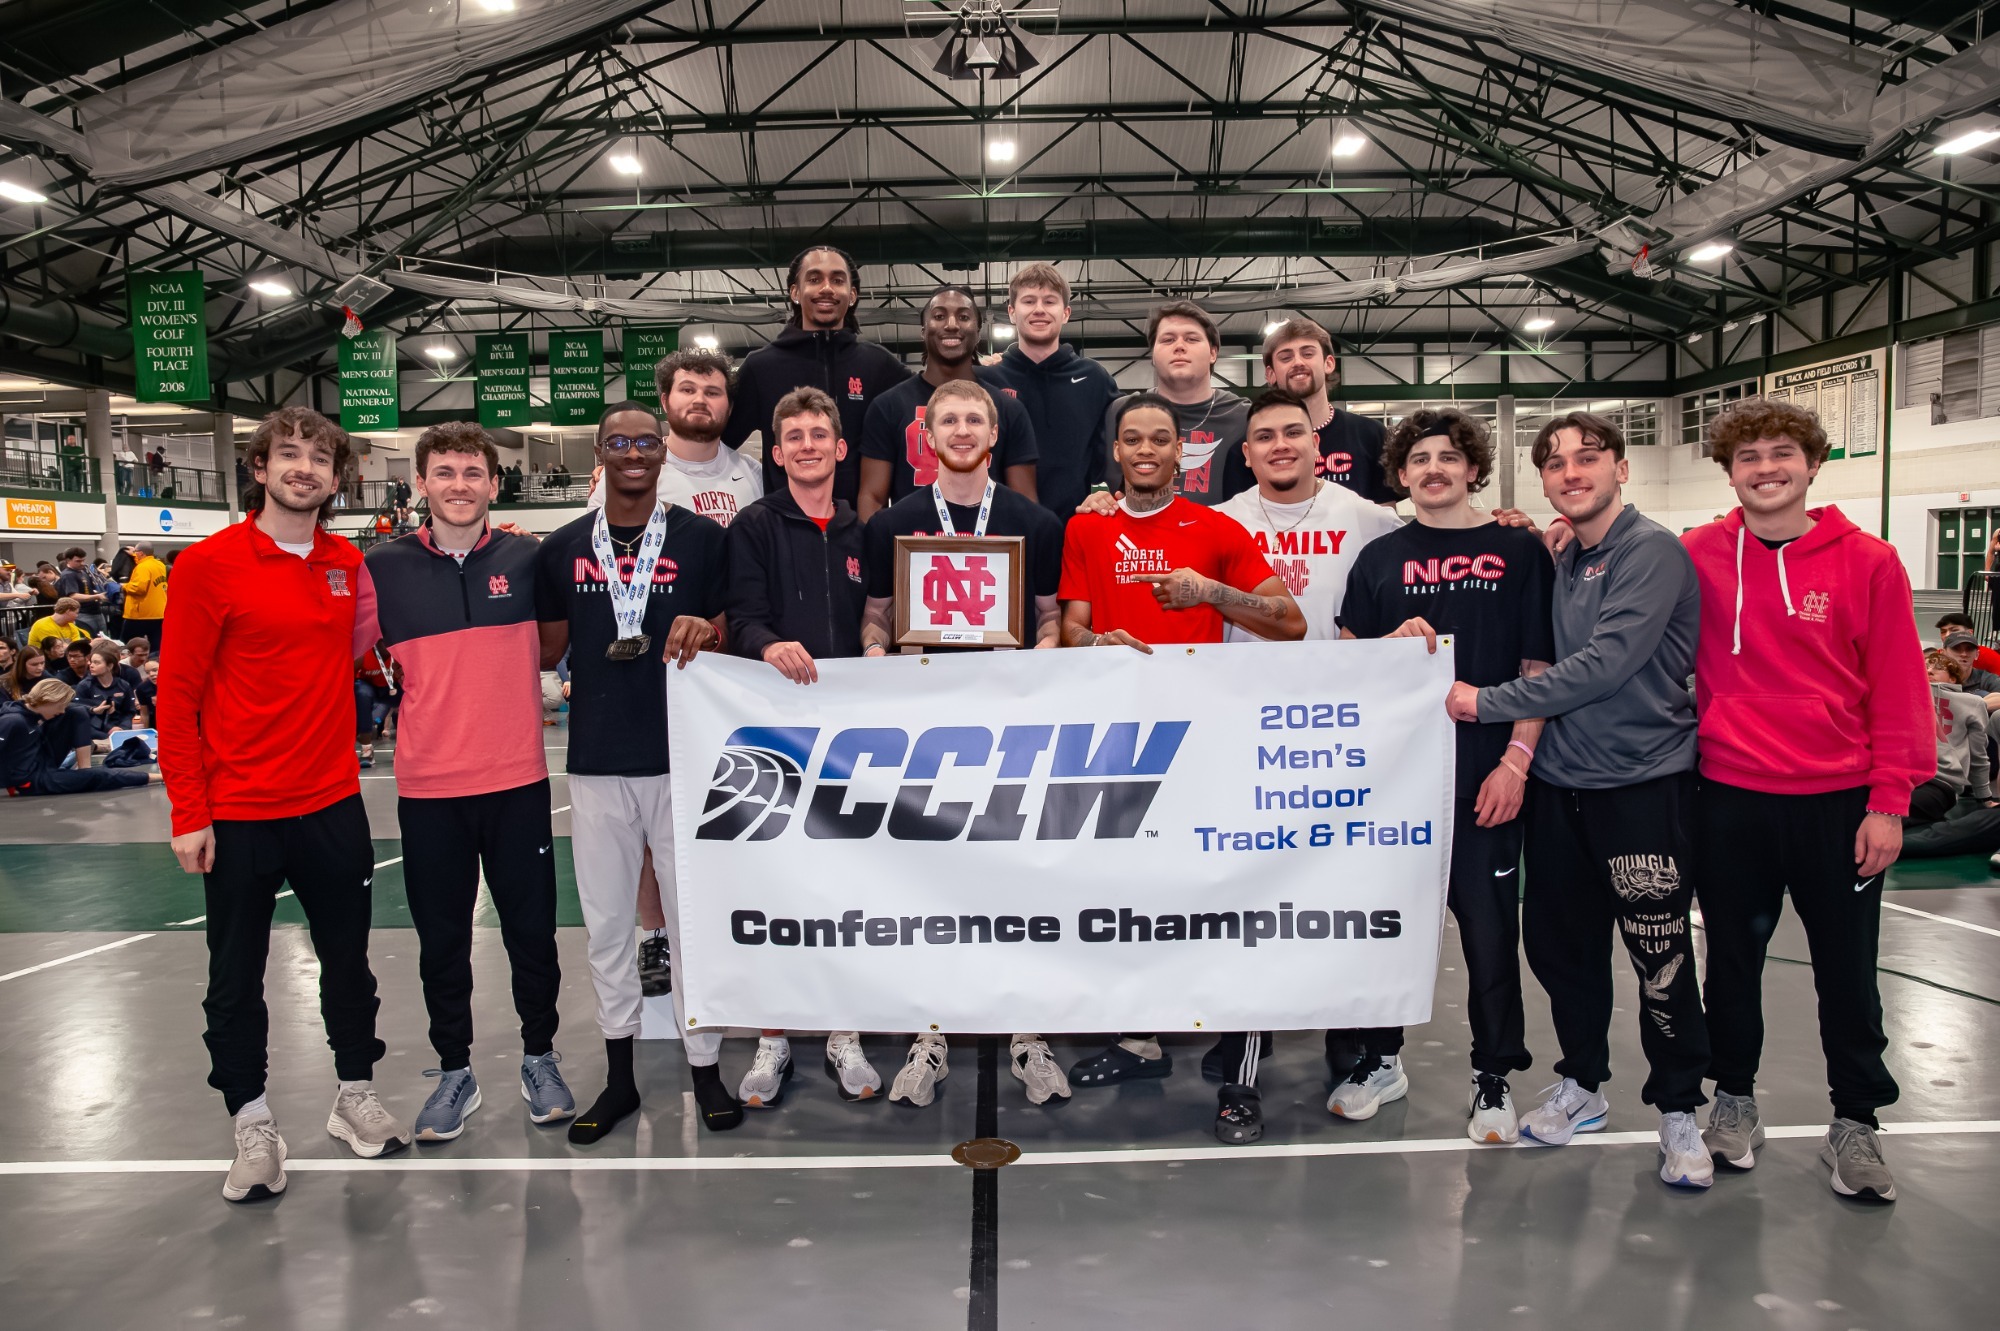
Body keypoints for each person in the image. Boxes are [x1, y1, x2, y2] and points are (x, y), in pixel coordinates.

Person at [1444, 411, 1713, 1190]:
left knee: (1659, 952)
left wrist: (1485, 702)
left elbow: (1603, 664)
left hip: (1641, 785)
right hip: (1561, 789)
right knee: (1563, 950)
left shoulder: (1651, 551)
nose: (1572, 471)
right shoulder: (1562, 553)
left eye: (1588, 458)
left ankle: (1678, 1108)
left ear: (1621, 469)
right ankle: (1583, 1084)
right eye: (1556, 462)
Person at [1680, 400, 1933, 1203]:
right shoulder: (1696, 555)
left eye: (1781, 452)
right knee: (1733, 967)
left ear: (1813, 463)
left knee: (1848, 973)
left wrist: (1889, 801)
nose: (1765, 468)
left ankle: (1855, 1122)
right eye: (1747, 456)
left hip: (1839, 802)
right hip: (1729, 795)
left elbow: (1898, 687)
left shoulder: (1870, 561)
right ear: (1729, 471)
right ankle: (1735, 1101)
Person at [158, 405, 410, 1204]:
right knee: (235, 977)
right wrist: (187, 810)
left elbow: (357, 660)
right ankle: (253, 1121)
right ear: (259, 468)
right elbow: (177, 697)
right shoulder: (208, 565)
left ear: (340, 478)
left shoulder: (346, 564)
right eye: (288, 455)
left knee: (350, 963)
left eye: (319, 458)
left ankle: (354, 1093)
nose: (304, 468)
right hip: (237, 809)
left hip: (331, 799)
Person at [1058, 391, 1305, 1129]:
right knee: (1133, 902)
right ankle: (1141, 1039)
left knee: (1230, 905)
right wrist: (1093, 643)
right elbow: (1070, 626)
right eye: (1130, 438)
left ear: (1180, 454)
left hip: (1208, 743)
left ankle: (1242, 1077)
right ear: (1116, 451)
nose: (1144, 450)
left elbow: (1289, 622)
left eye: (1158, 439)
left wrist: (1213, 592)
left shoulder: (1215, 526)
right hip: (1122, 747)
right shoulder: (1086, 527)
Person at [1326, 406, 1553, 1144]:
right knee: (1382, 931)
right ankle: (1380, 1058)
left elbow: (1537, 668)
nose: (1433, 470)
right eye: (1419, 459)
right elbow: (1346, 659)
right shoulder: (1379, 558)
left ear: (1473, 468)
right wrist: (1389, 646)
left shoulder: (1517, 552)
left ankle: (1493, 1075)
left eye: (1448, 457)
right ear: (1401, 474)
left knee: (1489, 935)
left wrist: (1517, 761)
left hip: (1483, 777)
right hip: (1395, 785)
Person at [856, 378, 1070, 1109]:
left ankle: (1027, 1031)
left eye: (974, 417)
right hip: (928, 733)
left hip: (1012, 730)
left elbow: (1049, 615)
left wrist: (1044, 651)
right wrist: (878, 651)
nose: (962, 428)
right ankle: (932, 1030)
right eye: (948, 418)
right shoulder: (894, 523)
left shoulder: (1034, 521)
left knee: (1016, 884)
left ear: (994, 433)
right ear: (927, 434)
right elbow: (877, 615)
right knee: (934, 890)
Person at [361, 421, 573, 1143]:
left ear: (494, 482)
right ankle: (455, 1071)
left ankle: (540, 1057)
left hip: (516, 782)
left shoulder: (528, 556)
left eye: (472, 472)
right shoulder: (381, 569)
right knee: (442, 941)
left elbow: (554, 642)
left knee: (532, 936)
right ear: (421, 482)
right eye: (444, 472)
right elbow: (337, 648)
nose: (459, 484)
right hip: (427, 791)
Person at [535, 400, 740, 1142]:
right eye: (618, 441)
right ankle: (618, 1077)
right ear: (598, 453)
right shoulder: (559, 549)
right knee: (609, 929)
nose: (632, 452)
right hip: (595, 764)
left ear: (661, 454)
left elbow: (732, 631)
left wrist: (709, 629)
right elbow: (544, 651)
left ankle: (705, 1067)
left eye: (644, 442)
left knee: (692, 926)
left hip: (684, 763)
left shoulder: (703, 540)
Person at [588, 348, 768, 998]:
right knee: (646, 811)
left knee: (733, 805)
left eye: (713, 390)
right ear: (666, 400)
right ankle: (654, 932)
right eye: (687, 388)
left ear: (727, 403)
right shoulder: (634, 468)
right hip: (650, 663)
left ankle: (728, 925)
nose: (700, 400)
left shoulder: (751, 473)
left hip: (729, 666)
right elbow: (597, 564)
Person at [723, 386, 878, 1107]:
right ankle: (773, 1038)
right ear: (776, 452)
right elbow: (743, 617)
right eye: (795, 436)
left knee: (846, 891)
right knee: (774, 891)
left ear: (841, 449)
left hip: (850, 738)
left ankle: (844, 1031)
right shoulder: (754, 525)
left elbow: (881, 616)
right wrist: (768, 643)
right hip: (773, 732)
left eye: (822, 434)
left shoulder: (864, 532)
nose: (809, 445)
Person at [723, 245, 912, 505]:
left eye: (837, 280)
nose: (826, 288)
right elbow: (718, 444)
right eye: (814, 279)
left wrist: (987, 371)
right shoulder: (760, 367)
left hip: (856, 532)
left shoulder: (878, 364)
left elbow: (932, 394)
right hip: (783, 531)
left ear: (853, 294)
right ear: (795, 292)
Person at [857, 283, 1039, 520]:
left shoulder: (1007, 408)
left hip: (990, 551)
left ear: (978, 330)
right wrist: (879, 553)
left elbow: (1025, 503)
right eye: (939, 316)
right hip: (912, 551)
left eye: (963, 317)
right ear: (924, 330)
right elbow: (872, 497)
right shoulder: (888, 407)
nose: (951, 325)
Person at [985, 263, 1120, 524]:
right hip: (999, 531)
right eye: (1028, 301)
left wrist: (1103, 494)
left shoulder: (1095, 378)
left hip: (1073, 527)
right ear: (1012, 312)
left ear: (1066, 313)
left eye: (1049, 301)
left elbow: (1117, 454)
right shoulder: (987, 379)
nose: (1039, 310)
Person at [1101, 301, 1251, 506]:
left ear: (1213, 353)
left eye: (1191, 339)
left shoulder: (1245, 417)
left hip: (1217, 536)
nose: (1179, 346)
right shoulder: (1120, 412)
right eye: (1168, 339)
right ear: (1153, 354)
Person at [1261, 318, 1397, 505]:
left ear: (1329, 363)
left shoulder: (1371, 435)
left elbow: (1386, 516)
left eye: (1308, 354)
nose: (1298, 362)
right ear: (1271, 374)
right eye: (1286, 357)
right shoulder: (1256, 445)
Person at [1903, 650, 2000, 859]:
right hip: (1899, 776)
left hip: (1939, 782)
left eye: (1938, 668)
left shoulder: (1971, 703)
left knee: (1896, 810)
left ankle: (1885, 847)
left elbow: (1979, 756)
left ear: (1953, 677)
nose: (1929, 670)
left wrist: (1985, 797)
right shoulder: (1903, 695)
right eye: (1926, 666)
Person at [0, 679, 155, 796]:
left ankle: (84, 768)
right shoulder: (13, 720)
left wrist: (92, 709)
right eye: (61, 706)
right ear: (49, 700)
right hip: (30, 780)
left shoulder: (35, 714)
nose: (61, 712)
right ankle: (161, 778)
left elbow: (73, 710)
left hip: (42, 761)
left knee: (78, 712)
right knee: (98, 776)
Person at [74, 643, 138, 737]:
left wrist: (122, 728)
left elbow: (129, 712)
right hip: (93, 732)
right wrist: (94, 710)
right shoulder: (85, 685)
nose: (91, 665)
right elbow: (77, 709)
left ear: (110, 666)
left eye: (96, 663)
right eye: (91, 662)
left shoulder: (123, 685)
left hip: (119, 730)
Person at [120, 541, 169, 650]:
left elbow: (138, 588)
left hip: (140, 614)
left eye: (135, 552)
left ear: (141, 553)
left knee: (128, 645)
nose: (134, 555)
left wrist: (123, 586)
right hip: (159, 612)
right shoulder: (160, 565)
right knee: (156, 646)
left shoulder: (142, 567)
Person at [56, 547, 108, 634]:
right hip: (82, 613)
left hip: (95, 611)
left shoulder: (83, 572)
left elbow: (89, 590)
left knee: (103, 639)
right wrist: (97, 596)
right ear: (68, 560)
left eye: (83, 560)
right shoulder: (68, 575)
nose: (82, 563)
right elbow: (73, 596)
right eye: (78, 561)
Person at [1941, 629, 2000, 702]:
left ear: (1977, 655)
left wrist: (1971, 707)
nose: (1964, 654)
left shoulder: (1989, 679)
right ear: (1943, 653)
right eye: (1956, 649)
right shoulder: (1932, 676)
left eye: (1969, 649)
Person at [1936, 611, 2000, 675]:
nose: (1947, 635)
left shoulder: (1988, 656)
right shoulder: (1935, 658)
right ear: (1943, 652)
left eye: (1954, 630)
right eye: (1943, 632)